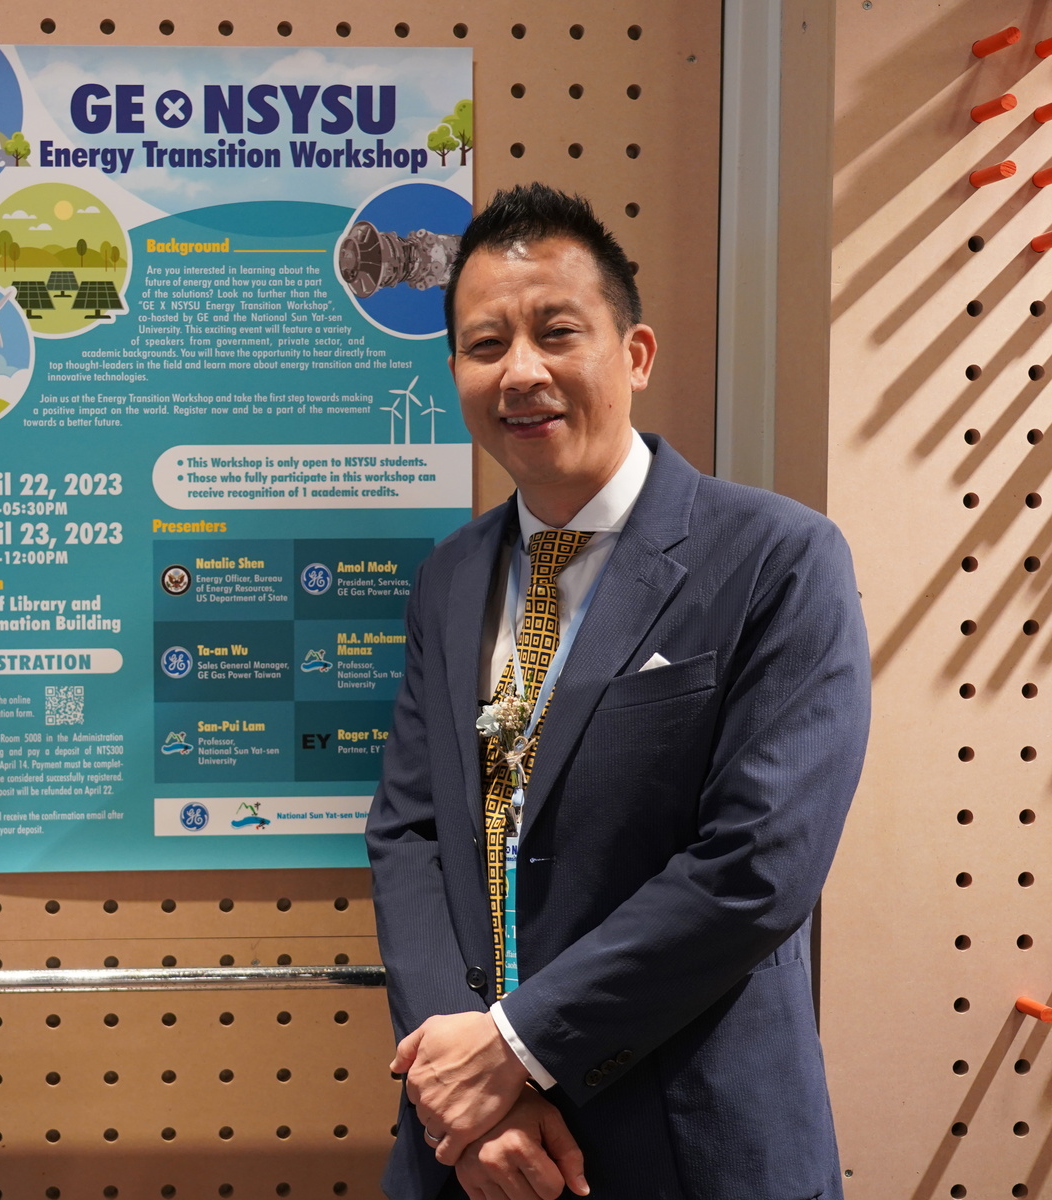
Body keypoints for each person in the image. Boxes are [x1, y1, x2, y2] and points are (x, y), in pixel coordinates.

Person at [366, 185, 869, 1200]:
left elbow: (756, 867)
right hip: (475, 1152)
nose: (521, 372)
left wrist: (517, 1049)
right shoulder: (450, 579)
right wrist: (467, 1097)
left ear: (634, 354)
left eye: (558, 332)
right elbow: (413, 833)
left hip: (690, 1139)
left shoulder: (778, 558)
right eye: (484, 344)